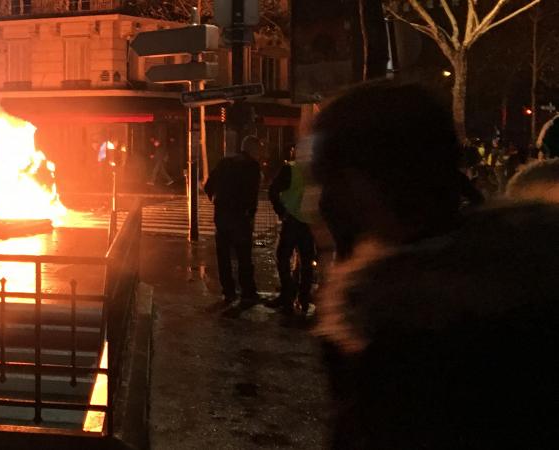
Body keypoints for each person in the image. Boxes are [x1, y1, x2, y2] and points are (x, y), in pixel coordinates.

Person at [309, 81, 559, 448]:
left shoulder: (400, 332)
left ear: (361, 187)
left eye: (325, 181)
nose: (319, 202)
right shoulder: (529, 273)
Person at [204, 135, 261, 303]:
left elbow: (208, 185)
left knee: (223, 255)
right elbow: (252, 194)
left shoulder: (225, 162)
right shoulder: (252, 166)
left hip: (221, 215)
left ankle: (228, 290)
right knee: (244, 255)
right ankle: (247, 291)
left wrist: (215, 200)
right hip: (240, 216)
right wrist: (250, 214)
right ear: (253, 150)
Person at [266, 147, 316, 314]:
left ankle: (287, 294)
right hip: (309, 222)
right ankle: (303, 298)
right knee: (306, 262)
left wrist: (281, 211)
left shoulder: (291, 168)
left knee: (283, 257)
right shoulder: (317, 171)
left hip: (292, 220)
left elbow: (272, 190)